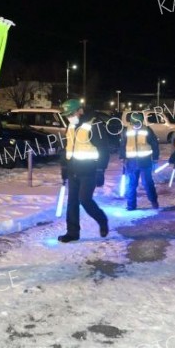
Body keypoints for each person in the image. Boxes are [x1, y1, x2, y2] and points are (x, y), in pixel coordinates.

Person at [58, 99, 109, 243]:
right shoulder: (71, 126)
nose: (68, 117)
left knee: (85, 200)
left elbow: (103, 149)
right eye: (66, 115)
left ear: (80, 110)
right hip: (73, 169)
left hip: (89, 170)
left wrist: (100, 170)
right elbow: (67, 147)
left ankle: (102, 220)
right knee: (72, 202)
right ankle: (72, 232)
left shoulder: (94, 125)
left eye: (70, 113)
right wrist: (64, 166)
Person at [120, 112, 159, 210]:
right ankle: (131, 205)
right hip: (131, 162)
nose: (136, 125)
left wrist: (155, 158)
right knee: (131, 184)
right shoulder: (126, 130)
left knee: (148, 183)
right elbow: (122, 145)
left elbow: (154, 144)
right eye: (134, 123)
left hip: (145, 161)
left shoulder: (147, 130)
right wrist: (123, 158)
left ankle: (154, 201)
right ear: (131, 122)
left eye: (138, 122)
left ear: (141, 121)